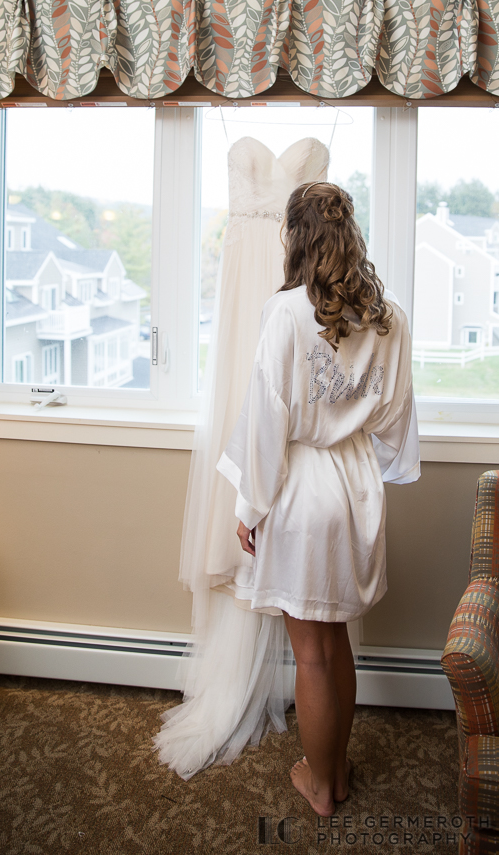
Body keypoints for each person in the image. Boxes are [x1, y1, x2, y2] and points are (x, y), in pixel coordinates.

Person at [216, 181, 420, 816]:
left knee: (309, 652)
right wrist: (362, 461)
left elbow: (266, 422)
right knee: (337, 646)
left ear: (297, 238)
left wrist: (249, 508)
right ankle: (334, 765)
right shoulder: (389, 318)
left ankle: (321, 786)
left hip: (301, 489)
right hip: (355, 488)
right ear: (349, 233)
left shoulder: (286, 311)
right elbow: (394, 418)